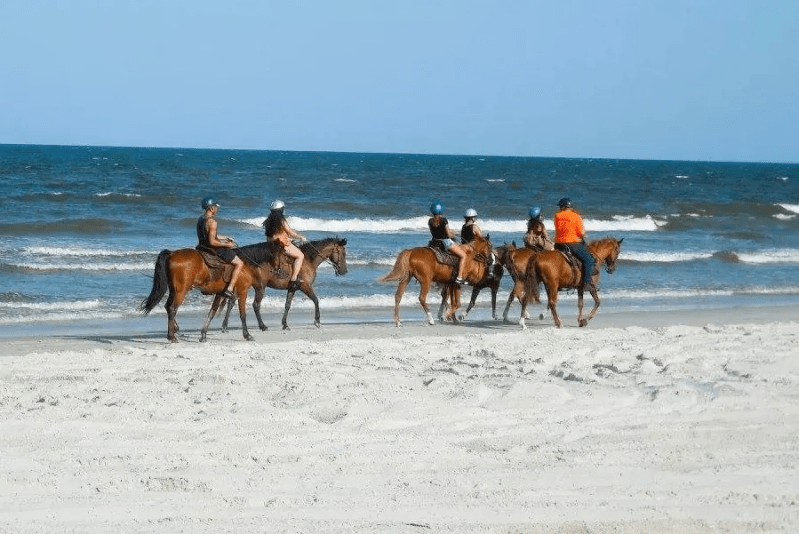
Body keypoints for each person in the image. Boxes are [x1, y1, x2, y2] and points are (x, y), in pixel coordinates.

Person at [197, 197, 243, 299]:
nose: (217, 209)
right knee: (240, 263)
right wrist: (227, 245)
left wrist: (224, 238)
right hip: (214, 249)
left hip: (202, 247)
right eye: (215, 207)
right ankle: (229, 289)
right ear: (211, 208)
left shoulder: (201, 218)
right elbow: (212, 242)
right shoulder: (212, 222)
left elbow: (208, 236)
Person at [263, 200, 307, 289]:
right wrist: (301, 237)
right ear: (281, 210)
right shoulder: (281, 220)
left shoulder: (268, 220)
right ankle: (294, 279)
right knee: (300, 256)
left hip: (270, 244)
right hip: (281, 245)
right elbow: (290, 232)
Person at [553, 197, 595, 289]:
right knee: (588, 260)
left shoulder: (557, 216)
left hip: (558, 244)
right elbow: (581, 232)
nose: (559, 208)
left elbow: (559, 228)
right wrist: (581, 236)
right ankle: (587, 283)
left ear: (563, 207)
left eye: (560, 206)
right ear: (569, 206)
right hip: (572, 244)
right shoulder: (576, 217)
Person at [428, 200, 467, 284]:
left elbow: (436, 232)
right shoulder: (444, 220)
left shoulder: (430, 221)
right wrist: (454, 234)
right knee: (463, 255)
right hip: (445, 242)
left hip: (434, 242)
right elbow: (448, 235)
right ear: (441, 210)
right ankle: (459, 277)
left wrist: (450, 232)